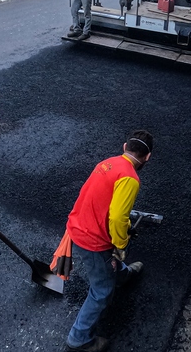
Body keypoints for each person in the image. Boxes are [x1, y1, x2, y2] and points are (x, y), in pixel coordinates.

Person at [64, 131, 153, 352]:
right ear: (147, 157)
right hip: (91, 239)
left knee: (109, 268)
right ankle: (79, 337)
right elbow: (117, 217)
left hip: (78, 222)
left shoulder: (108, 163)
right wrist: (120, 245)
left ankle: (123, 276)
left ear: (125, 147)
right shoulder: (130, 178)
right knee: (102, 290)